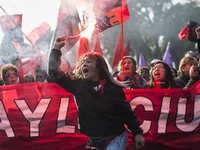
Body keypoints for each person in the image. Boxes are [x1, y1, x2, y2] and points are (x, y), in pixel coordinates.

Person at [48, 36, 145, 150]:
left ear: (98, 68)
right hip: (92, 143)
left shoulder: (112, 87)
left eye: (89, 62)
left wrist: (137, 133)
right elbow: (54, 73)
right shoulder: (77, 85)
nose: (84, 64)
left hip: (115, 139)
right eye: (83, 62)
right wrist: (56, 49)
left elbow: (126, 112)